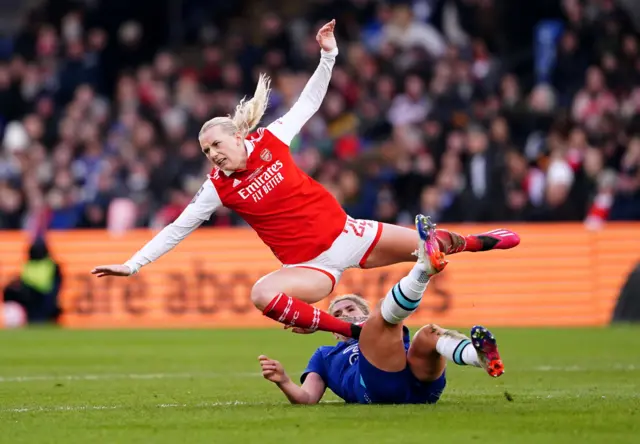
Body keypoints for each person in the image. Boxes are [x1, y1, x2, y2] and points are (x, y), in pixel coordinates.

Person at [91, 20, 520, 339]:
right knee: (262, 295)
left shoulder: (271, 139)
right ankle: (354, 333)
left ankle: (482, 241)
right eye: (206, 152)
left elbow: (310, 102)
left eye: (218, 145)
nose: (214, 155)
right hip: (310, 267)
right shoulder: (216, 187)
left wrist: (328, 55)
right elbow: (177, 228)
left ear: (237, 135)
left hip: (351, 234)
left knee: (427, 248)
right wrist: (133, 265)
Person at [258, 223, 503, 404]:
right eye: (338, 312)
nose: (344, 314)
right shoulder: (324, 355)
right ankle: (422, 270)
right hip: (377, 389)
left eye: (350, 309)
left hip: (424, 389)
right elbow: (308, 398)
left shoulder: (377, 330)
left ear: (362, 311)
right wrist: (283, 381)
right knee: (382, 323)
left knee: (428, 334)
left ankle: (477, 356)